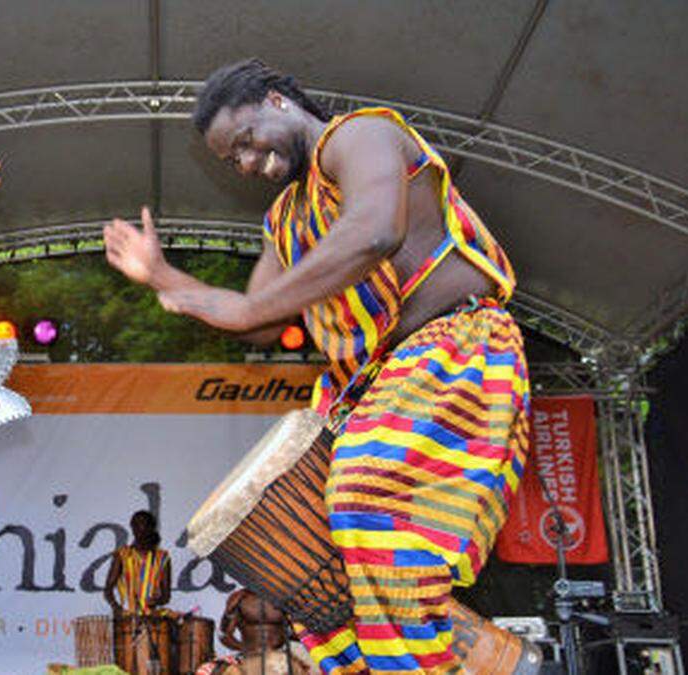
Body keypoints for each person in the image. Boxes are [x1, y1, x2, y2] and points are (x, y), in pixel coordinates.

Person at [104, 58, 530, 673]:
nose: (247, 164)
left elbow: (374, 230)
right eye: (233, 161)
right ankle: (448, 663)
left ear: (277, 101)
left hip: (449, 349)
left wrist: (251, 302)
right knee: (308, 557)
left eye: (246, 142)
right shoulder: (285, 219)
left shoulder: (360, 136)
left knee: (366, 500)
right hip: (373, 387)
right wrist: (164, 276)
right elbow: (262, 317)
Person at [196, 589, 312, 675]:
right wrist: (246, 652)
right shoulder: (239, 598)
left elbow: (299, 631)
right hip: (252, 657)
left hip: (278, 657)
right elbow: (226, 635)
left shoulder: (285, 595)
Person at [103, 510, 173, 617]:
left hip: (152, 617)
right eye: (135, 524)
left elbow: (166, 596)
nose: (139, 528)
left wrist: (155, 601)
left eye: (143, 524)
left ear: (151, 528)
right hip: (127, 617)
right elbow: (108, 589)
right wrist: (116, 607)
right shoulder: (122, 555)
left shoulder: (162, 558)